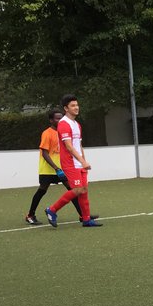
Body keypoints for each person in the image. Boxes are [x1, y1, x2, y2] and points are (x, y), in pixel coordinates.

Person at [44, 95, 102, 228]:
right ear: (66, 108)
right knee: (77, 190)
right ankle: (52, 210)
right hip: (70, 163)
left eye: (77, 105)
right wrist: (82, 161)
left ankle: (86, 219)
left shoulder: (77, 124)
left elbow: (78, 145)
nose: (76, 108)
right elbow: (69, 146)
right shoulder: (64, 124)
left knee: (84, 190)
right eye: (72, 106)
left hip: (79, 163)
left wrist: (84, 161)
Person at [25, 109, 88, 225]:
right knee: (42, 191)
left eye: (61, 117)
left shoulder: (64, 131)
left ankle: (82, 215)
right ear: (51, 120)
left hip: (63, 169)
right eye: (57, 118)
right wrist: (56, 168)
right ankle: (30, 215)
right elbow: (44, 153)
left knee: (73, 190)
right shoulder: (47, 133)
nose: (59, 120)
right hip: (48, 170)